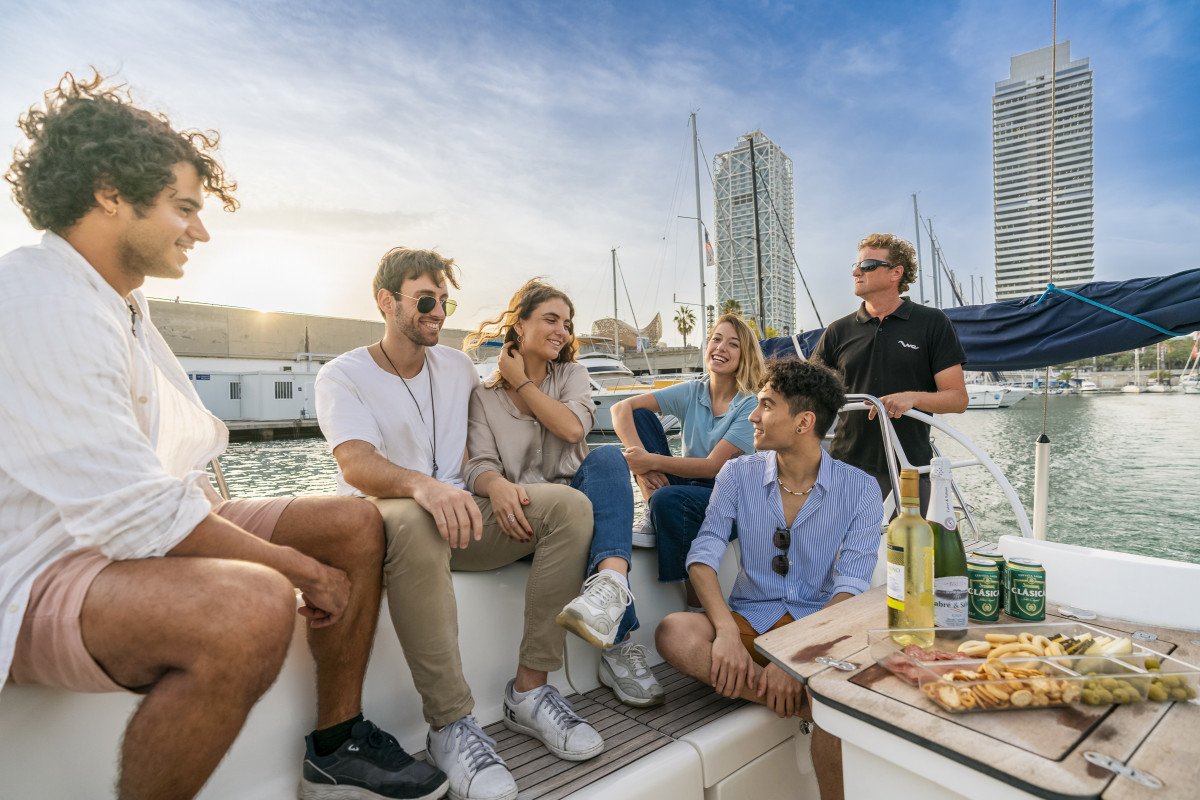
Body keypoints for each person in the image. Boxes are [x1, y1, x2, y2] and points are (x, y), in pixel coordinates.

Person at [0, 73, 447, 800]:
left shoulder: (120, 301)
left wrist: (299, 552)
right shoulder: (41, 299)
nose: (200, 232)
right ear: (109, 192)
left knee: (353, 523)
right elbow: (136, 514)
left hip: (126, 537)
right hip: (38, 569)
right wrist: (299, 571)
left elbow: (162, 483)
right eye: (184, 208)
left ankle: (336, 746)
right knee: (249, 606)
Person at [315, 250, 603, 800]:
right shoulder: (343, 375)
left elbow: (474, 456)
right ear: (386, 300)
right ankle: (450, 724)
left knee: (569, 508)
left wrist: (492, 484)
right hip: (388, 518)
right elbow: (354, 463)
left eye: (445, 302)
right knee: (416, 519)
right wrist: (423, 487)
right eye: (426, 300)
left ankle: (529, 691)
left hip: (463, 516)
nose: (438, 312)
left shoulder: (456, 367)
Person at [655, 358, 883, 800]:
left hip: (819, 631)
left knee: (831, 698)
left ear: (804, 422)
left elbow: (851, 588)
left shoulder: (860, 488)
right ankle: (798, 702)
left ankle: (810, 698)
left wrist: (795, 659)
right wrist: (725, 631)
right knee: (674, 631)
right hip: (749, 624)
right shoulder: (737, 473)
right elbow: (703, 555)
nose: (752, 417)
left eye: (766, 405)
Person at [462, 279, 664, 709]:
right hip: (527, 517)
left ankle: (611, 588)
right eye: (551, 319)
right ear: (520, 324)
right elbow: (478, 465)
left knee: (607, 458)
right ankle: (620, 642)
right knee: (582, 514)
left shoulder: (573, 375)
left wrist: (522, 382)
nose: (563, 332)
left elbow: (573, 429)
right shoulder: (483, 397)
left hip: (581, 510)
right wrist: (495, 485)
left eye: (567, 324)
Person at [611, 313, 765, 608]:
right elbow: (620, 409)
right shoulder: (695, 390)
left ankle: (697, 603)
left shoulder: (749, 404)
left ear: (744, 355)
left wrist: (649, 460)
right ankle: (653, 505)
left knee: (669, 499)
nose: (721, 348)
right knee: (640, 415)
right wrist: (641, 465)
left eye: (733, 344)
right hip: (689, 482)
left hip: (731, 495)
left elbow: (713, 467)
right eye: (716, 339)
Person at [810, 233, 968, 506]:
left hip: (908, 469)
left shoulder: (932, 323)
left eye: (868, 265)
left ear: (896, 273)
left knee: (908, 536)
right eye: (856, 266)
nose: (857, 272)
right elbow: (807, 392)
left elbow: (958, 399)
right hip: (843, 466)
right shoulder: (838, 330)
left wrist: (912, 398)